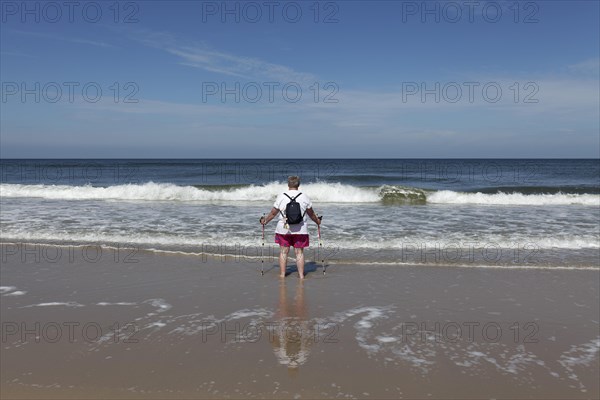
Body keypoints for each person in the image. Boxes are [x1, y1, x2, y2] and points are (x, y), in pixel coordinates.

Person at [260, 176, 321, 279]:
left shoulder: (281, 196)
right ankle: (301, 275)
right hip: (300, 229)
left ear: (288, 185)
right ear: (298, 185)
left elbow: (273, 213)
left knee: (284, 251)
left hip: (284, 229)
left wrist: (265, 221)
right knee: (299, 253)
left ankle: (283, 274)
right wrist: (318, 221)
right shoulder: (304, 196)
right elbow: (311, 214)